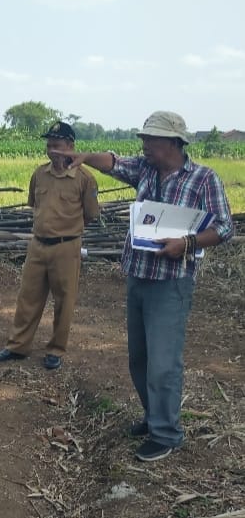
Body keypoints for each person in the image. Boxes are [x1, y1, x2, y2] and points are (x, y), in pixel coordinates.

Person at [56, 111, 235, 462]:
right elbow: (114, 163)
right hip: (138, 275)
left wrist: (187, 243)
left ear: (172, 142)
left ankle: (167, 434)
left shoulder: (202, 179)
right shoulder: (146, 169)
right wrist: (83, 157)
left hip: (171, 283)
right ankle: (153, 418)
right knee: (139, 358)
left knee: (163, 363)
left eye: (150, 139)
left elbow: (226, 228)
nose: (144, 145)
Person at [0, 122, 101, 371]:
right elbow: (34, 205)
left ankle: (55, 350)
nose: (52, 151)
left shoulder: (84, 179)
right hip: (38, 244)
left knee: (64, 300)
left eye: (57, 146)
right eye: (49, 146)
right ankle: (18, 346)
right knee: (27, 297)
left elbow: (91, 215)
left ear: (70, 147)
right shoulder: (40, 174)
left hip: (67, 247)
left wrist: (68, 230)